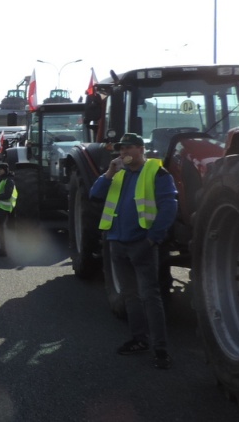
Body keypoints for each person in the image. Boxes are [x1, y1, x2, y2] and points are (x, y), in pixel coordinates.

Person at [90, 133, 177, 370]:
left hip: (142, 244)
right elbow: (94, 195)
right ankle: (139, 339)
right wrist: (109, 172)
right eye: (121, 149)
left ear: (141, 149)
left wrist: (152, 239)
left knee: (150, 295)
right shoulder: (118, 173)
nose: (123, 153)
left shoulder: (156, 172)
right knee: (130, 295)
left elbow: (169, 206)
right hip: (117, 242)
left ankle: (160, 349)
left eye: (128, 148)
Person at [0, 163, 17, 258]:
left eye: (1, 169)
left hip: (5, 208)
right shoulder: (0, 180)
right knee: (0, 229)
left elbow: (7, 195)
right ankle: (3, 250)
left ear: (6, 170)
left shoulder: (9, 180)